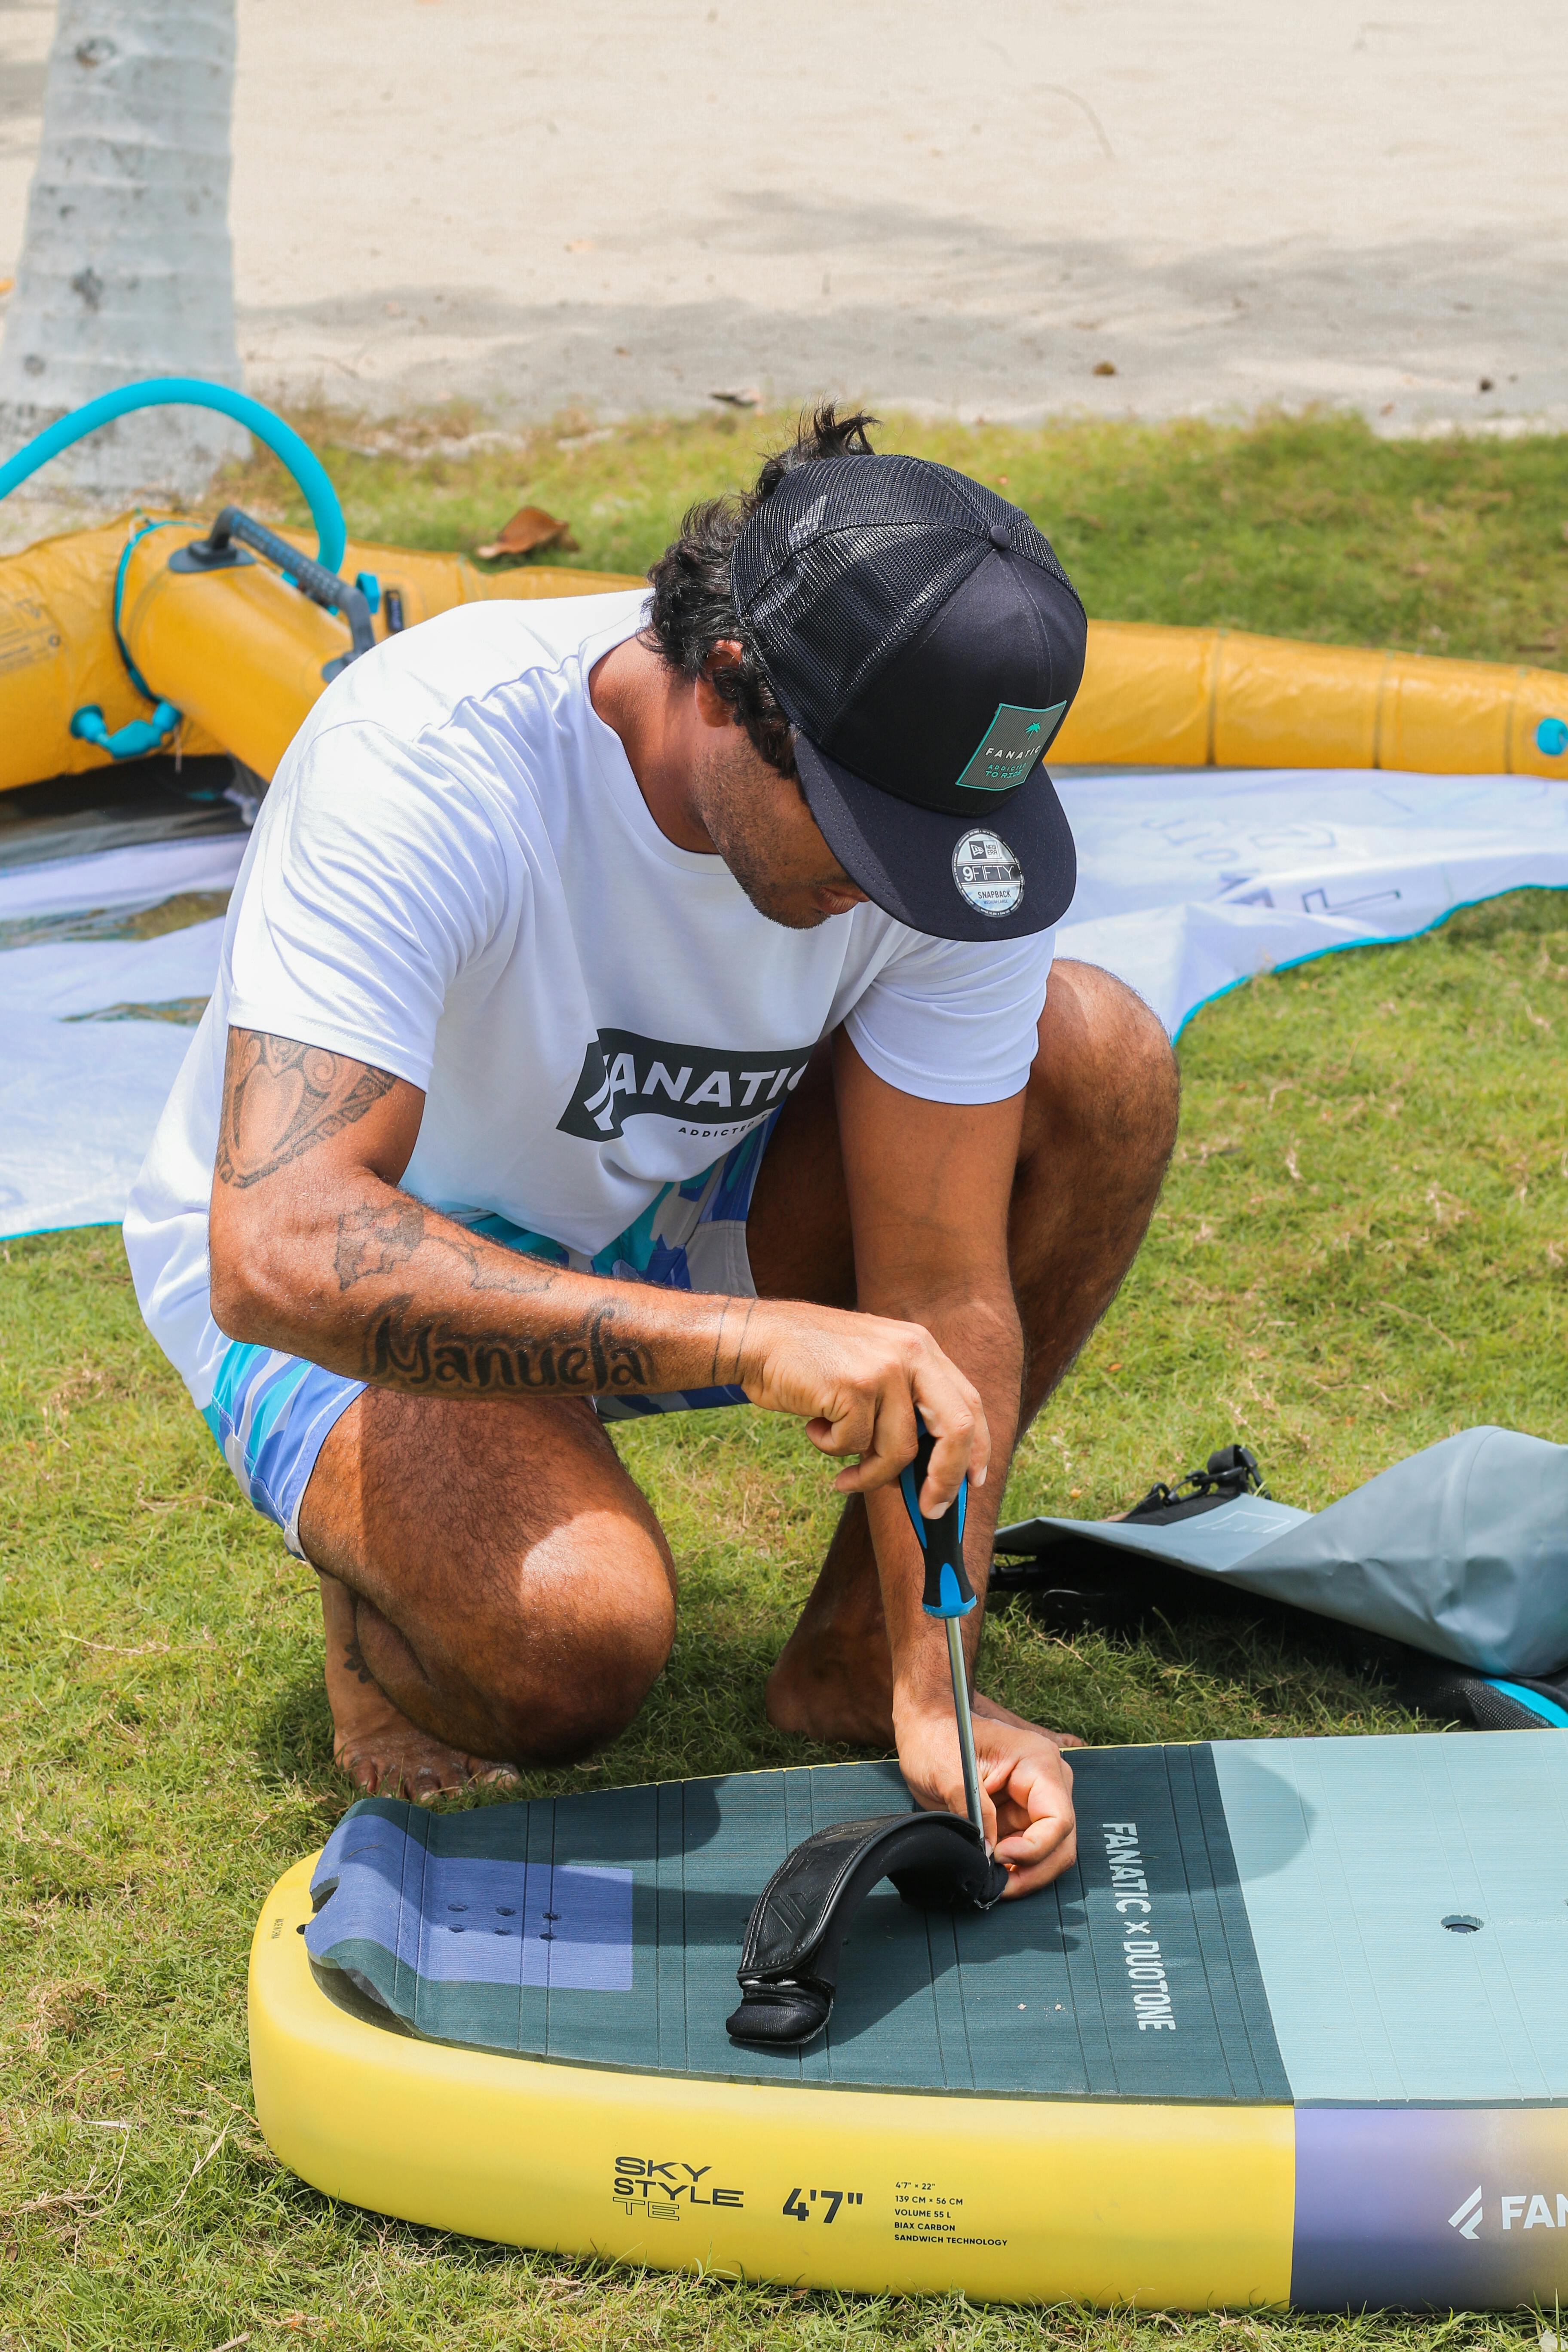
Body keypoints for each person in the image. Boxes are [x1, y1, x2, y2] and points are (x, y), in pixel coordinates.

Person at [125, 408, 1177, 1900]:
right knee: (571, 1648)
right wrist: (748, 1339)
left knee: (1100, 1063)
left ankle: (855, 1667)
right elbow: (278, 1247)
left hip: (662, 1208)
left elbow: (942, 1272)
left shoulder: (942, 829)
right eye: (865, 836)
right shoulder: (428, 754)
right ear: (734, 683)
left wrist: (936, 1675)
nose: (892, 889)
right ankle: (378, 1578)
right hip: (355, 1266)